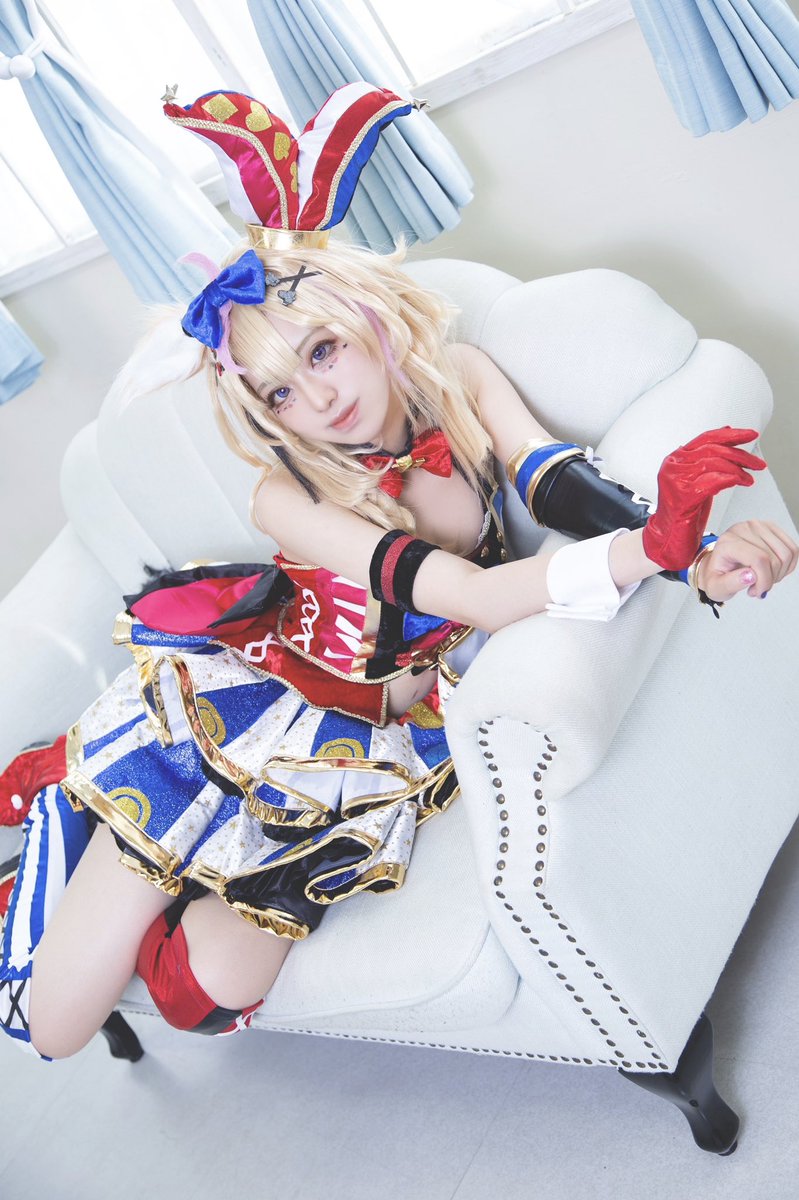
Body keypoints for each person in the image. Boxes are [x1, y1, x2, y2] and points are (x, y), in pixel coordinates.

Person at [1, 83, 796, 1062]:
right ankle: (72, 801)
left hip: (377, 736)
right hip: (246, 710)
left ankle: (149, 851)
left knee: (207, 998)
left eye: (323, 350)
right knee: (55, 1032)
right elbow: (470, 595)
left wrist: (694, 555)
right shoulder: (285, 495)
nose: (317, 396)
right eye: (279, 391)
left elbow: (556, 483)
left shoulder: (458, 378)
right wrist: (653, 550)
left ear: (368, 317)